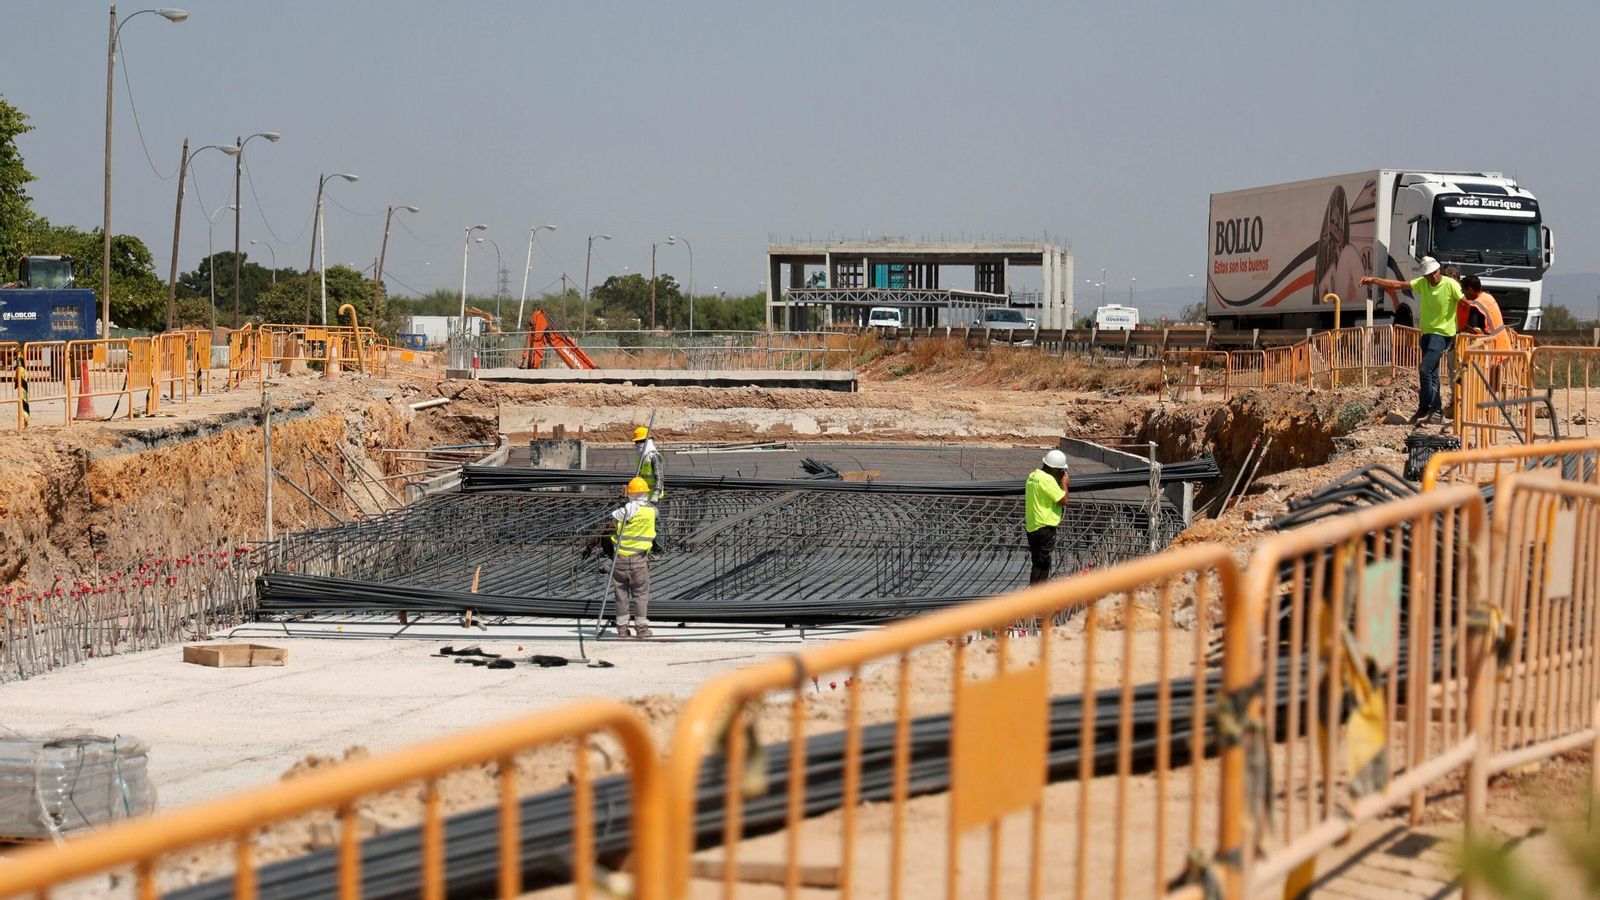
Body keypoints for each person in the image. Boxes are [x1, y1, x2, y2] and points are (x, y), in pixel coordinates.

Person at [1361, 257, 1462, 424]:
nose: (1433, 277)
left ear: (1439, 271)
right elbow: (1399, 285)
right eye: (1429, 275)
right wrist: (1374, 280)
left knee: (1424, 369)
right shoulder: (1423, 283)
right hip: (1427, 334)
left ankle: (1424, 406)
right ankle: (1436, 411)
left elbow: (1465, 302)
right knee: (1433, 374)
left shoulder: (1450, 284)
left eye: (1435, 273)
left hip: (1442, 335)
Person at [609, 476, 657, 639]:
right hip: (639, 560)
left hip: (620, 559)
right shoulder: (651, 512)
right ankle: (642, 629)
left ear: (629, 494)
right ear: (645, 493)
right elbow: (652, 508)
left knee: (621, 595)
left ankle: (622, 629)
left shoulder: (623, 512)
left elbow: (613, 523)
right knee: (640, 595)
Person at [1024, 450, 1070, 585]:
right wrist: (1065, 484)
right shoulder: (1048, 480)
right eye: (1061, 470)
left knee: (1037, 562)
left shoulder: (1033, 476)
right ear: (1055, 469)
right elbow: (1063, 500)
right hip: (1045, 527)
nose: (1062, 473)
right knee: (1043, 564)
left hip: (1032, 526)